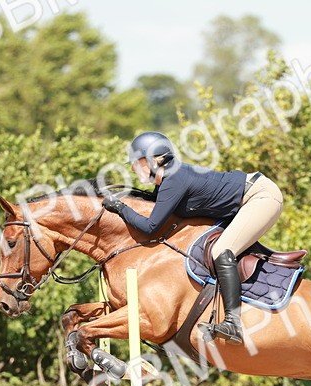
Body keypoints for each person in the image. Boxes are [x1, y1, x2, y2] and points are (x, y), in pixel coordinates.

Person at [101, 131, 284, 343]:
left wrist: (120, 208)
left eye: (137, 162)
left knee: (222, 250)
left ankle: (233, 323)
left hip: (260, 197)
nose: (133, 167)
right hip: (247, 197)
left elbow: (150, 227)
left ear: (155, 160)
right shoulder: (169, 179)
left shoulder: (174, 179)